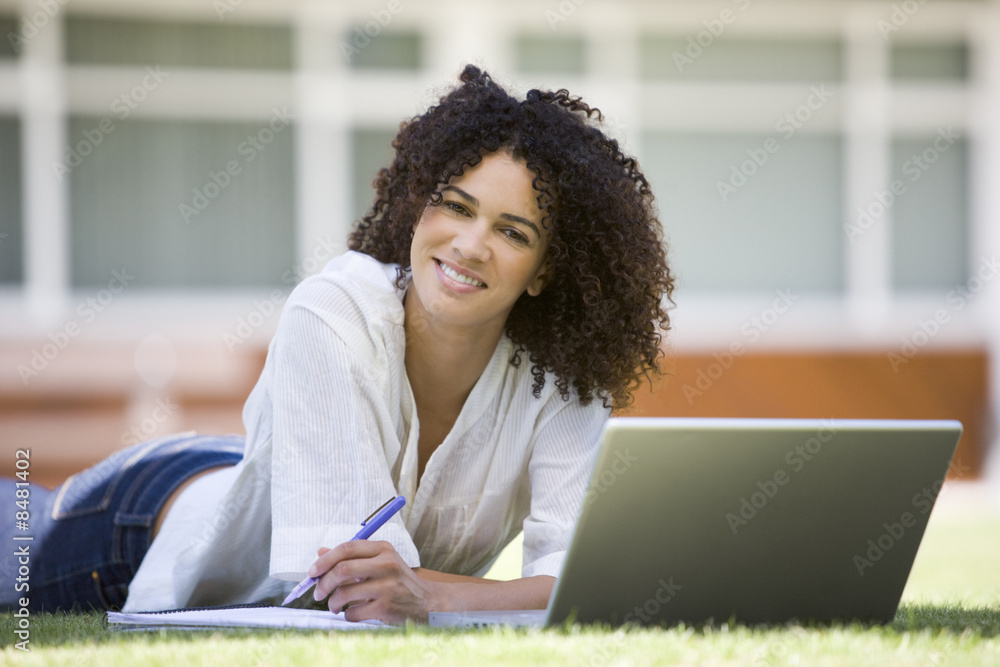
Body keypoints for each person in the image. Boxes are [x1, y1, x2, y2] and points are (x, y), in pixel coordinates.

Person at [1, 64, 674, 624]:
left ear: (546, 271)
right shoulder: (333, 314)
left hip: (266, 469)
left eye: (514, 232)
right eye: (456, 206)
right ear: (420, 204)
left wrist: (433, 594)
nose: (470, 245)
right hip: (145, 520)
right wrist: (469, 597)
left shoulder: (563, 378)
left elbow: (577, 583)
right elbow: (357, 595)